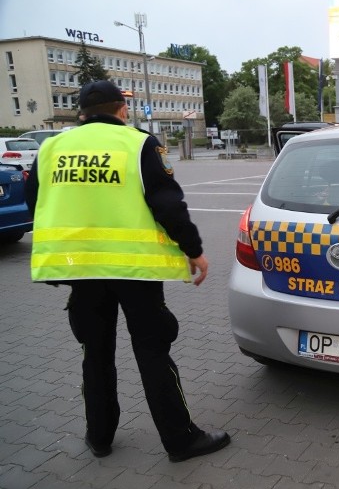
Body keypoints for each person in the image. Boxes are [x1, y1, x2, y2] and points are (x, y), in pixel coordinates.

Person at [25, 80, 231, 462]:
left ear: (81, 113)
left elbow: (35, 201)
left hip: (81, 272)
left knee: (95, 354)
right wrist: (195, 251)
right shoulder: (138, 144)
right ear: (121, 110)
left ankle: (99, 437)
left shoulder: (51, 147)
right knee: (153, 352)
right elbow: (167, 204)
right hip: (134, 272)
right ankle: (180, 440)